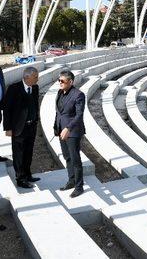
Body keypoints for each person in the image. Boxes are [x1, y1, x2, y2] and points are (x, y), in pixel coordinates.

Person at [3, 67, 40, 189]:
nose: (37, 79)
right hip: (18, 127)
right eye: (35, 77)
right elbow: (7, 110)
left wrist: (36, 120)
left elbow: (35, 105)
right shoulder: (14, 89)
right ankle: (20, 178)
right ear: (27, 77)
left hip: (31, 126)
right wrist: (8, 128)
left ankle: (28, 174)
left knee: (29, 152)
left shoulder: (35, 87)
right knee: (19, 154)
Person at [53, 70, 86, 198]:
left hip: (72, 132)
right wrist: (57, 126)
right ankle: (71, 180)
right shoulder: (60, 92)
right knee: (67, 157)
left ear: (70, 82)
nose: (60, 83)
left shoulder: (79, 95)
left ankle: (79, 186)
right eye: (59, 80)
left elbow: (79, 115)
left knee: (75, 159)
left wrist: (68, 128)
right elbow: (59, 112)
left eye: (62, 81)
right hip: (61, 130)